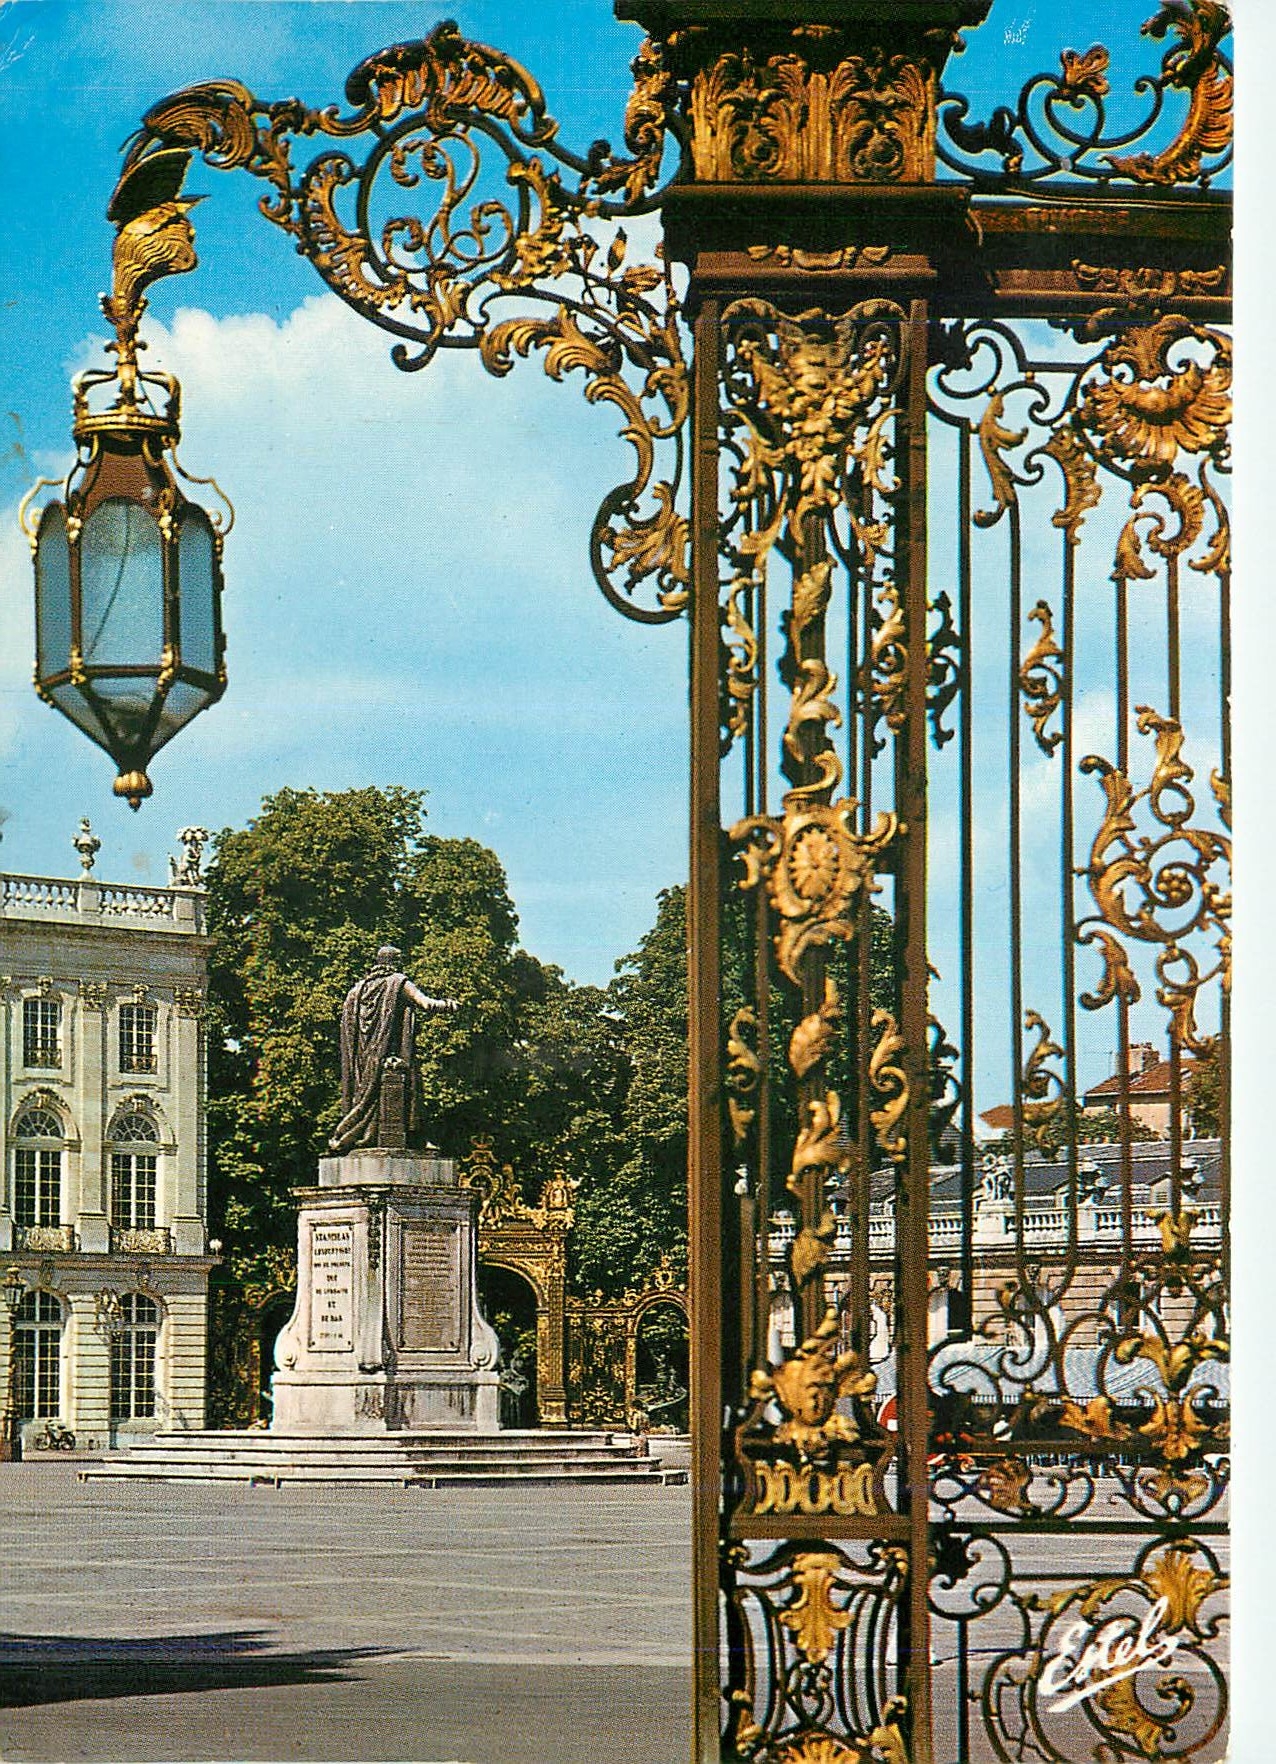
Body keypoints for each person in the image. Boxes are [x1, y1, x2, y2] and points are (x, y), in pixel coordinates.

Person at [329, 946, 457, 1153]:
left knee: (368, 1096)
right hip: (392, 1053)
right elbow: (426, 1004)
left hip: (363, 1060)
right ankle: (414, 1138)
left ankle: (357, 1135)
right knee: (411, 1087)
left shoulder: (357, 989)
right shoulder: (398, 982)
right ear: (393, 961)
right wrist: (449, 1005)